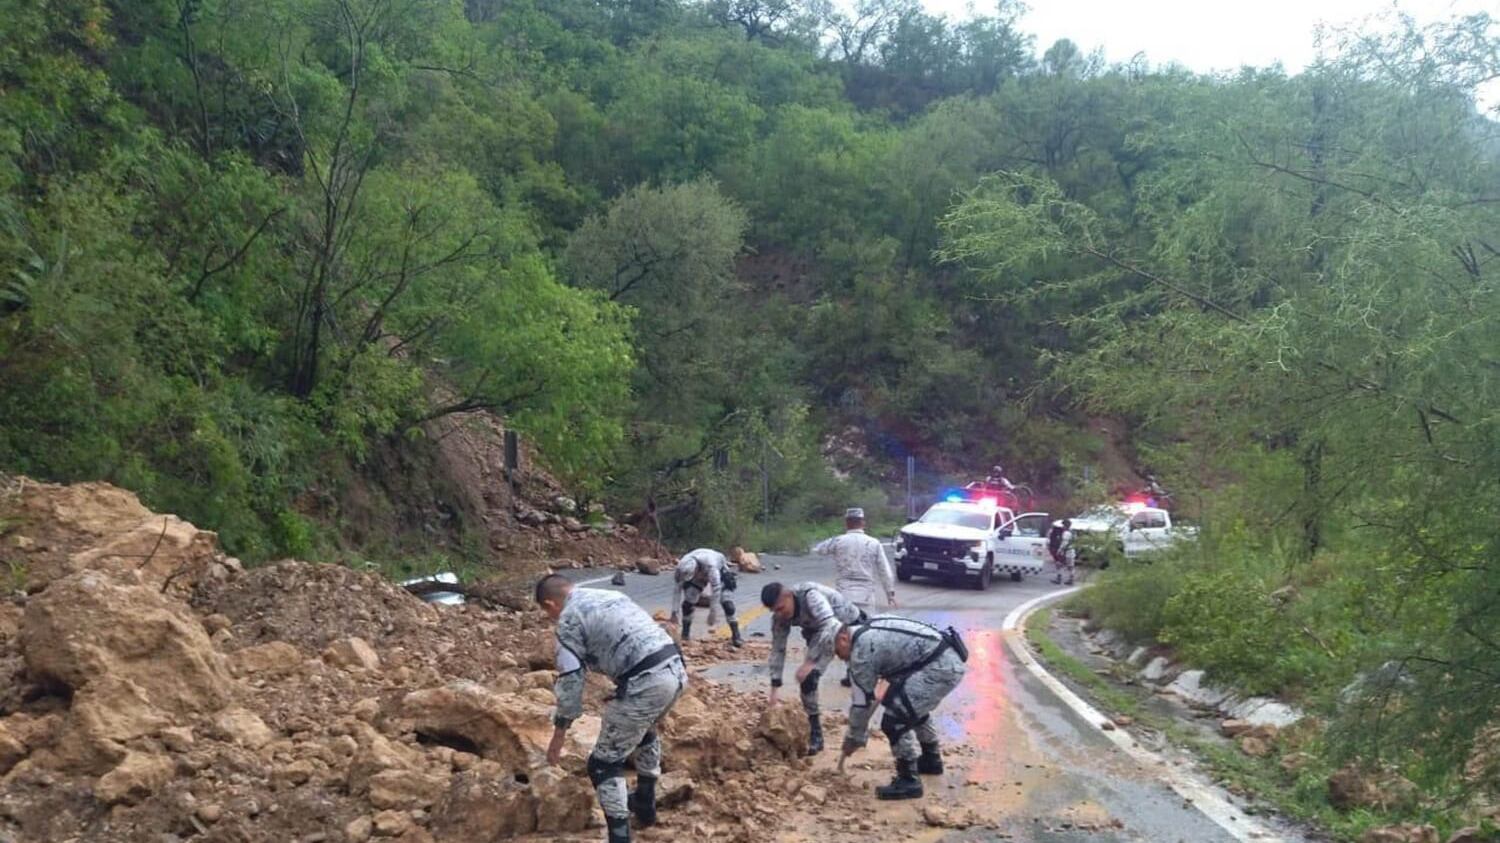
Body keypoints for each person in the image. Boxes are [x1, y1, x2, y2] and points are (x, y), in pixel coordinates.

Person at [536, 575, 687, 843]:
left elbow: (571, 680)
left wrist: (559, 734)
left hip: (647, 681)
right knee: (644, 732)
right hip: (676, 670)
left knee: (603, 764)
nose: (551, 619)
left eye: (548, 613)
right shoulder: (609, 595)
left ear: (550, 604)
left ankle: (620, 836)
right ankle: (645, 804)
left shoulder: (568, 621)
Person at [834, 616, 968, 800]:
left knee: (895, 720)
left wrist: (854, 736)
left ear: (843, 638)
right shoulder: (869, 626)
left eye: (836, 651)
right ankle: (931, 760)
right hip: (943, 659)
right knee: (910, 708)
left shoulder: (862, 651)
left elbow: (861, 702)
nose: (839, 657)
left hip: (939, 668)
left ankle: (909, 780)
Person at [760, 581, 864, 755]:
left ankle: (860, 729)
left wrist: (810, 662)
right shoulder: (779, 617)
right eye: (774, 611)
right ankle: (816, 734)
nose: (779, 614)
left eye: (781, 608)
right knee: (808, 680)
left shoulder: (811, 596)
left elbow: (831, 625)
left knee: (861, 679)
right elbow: (778, 649)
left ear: (789, 595)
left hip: (848, 626)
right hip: (819, 632)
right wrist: (774, 689)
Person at [812, 507, 897, 686]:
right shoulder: (874, 543)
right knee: (867, 635)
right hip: (866, 594)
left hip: (844, 595)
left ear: (847, 523)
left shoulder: (839, 541)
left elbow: (818, 549)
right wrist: (890, 593)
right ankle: (866, 672)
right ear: (863, 522)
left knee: (846, 635)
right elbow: (884, 570)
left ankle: (850, 672)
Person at [669, 548, 744, 647]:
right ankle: (685, 635)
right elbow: (677, 588)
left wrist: (713, 612)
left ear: (696, 569)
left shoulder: (712, 566)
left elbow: (716, 589)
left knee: (727, 603)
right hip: (698, 575)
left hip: (719, 570)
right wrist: (674, 613)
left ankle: (736, 636)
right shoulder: (681, 567)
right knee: (688, 603)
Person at [1047, 518, 1075, 586]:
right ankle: (1071, 579)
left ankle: (1059, 578)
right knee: (1070, 566)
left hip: (1066, 551)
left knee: (1059, 564)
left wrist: (1059, 550)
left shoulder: (1066, 533)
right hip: (1071, 551)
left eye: (1064, 525)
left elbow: (1064, 543)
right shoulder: (1072, 532)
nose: (1063, 526)